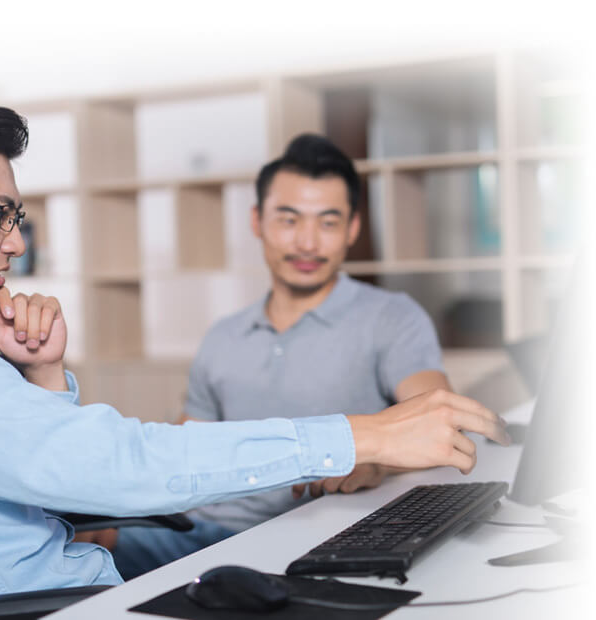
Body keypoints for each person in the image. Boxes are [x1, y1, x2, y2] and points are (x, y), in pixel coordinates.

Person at [0, 96, 508, 616]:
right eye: (2, 214)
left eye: (19, 217)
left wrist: (42, 375)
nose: (17, 241)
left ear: (351, 228)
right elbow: (117, 462)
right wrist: (358, 435)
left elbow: (42, 473)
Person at [111, 134, 457, 577]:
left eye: (328, 223)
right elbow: (186, 449)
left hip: (309, 536)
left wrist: (375, 459)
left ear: (353, 228)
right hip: (196, 533)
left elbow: (436, 417)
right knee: (75, 538)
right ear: (257, 221)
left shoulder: (391, 317)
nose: (307, 243)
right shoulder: (224, 335)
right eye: (289, 220)